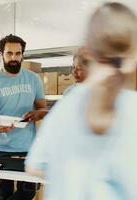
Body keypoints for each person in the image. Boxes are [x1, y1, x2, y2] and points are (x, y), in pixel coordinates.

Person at [26, 2, 137, 200]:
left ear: (87, 51)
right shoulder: (132, 109)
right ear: (132, 55)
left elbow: (34, 166)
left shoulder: (65, 108)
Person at [0, 34, 48, 200]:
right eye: (9, 53)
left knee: (28, 191)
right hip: (1, 147)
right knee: (4, 193)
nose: (14, 58)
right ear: (1, 55)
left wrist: (37, 113)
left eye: (18, 54)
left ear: (22, 54)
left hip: (28, 146)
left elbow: (42, 108)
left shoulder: (33, 79)